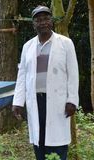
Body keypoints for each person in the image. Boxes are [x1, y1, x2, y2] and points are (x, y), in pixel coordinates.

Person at [12, 5, 79, 160]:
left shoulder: (65, 43)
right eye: (38, 20)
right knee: (39, 140)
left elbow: (73, 74)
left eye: (46, 19)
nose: (43, 23)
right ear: (33, 24)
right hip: (35, 101)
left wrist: (72, 100)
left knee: (57, 142)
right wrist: (18, 101)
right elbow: (22, 76)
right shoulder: (28, 46)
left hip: (58, 101)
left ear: (51, 21)